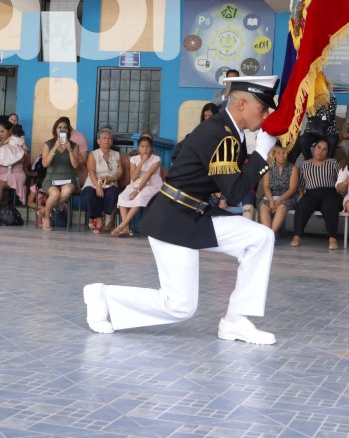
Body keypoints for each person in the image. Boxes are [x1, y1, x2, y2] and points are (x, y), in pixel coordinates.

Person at [83, 75, 279, 345]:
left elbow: (187, 157)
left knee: (261, 237)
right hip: (173, 220)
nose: (267, 114)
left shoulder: (228, 131)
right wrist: (261, 154)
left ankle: (236, 320)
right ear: (243, 103)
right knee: (180, 306)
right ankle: (103, 297)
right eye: (264, 107)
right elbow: (234, 193)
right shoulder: (221, 133)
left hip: (195, 215)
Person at [290, 138, 343, 250]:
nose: (320, 151)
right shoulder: (304, 165)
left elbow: (341, 180)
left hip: (330, 193)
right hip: (311, 194)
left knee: (330, 206)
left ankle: (332, 238)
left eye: (324, 149)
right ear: (314, 149)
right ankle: (297, 236)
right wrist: (300, 194)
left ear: (327, 152)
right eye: (319, 148)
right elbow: (301, 184)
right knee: (302, 206)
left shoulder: (333, 163)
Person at [112, 135, 162, 237]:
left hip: (152, 185)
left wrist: (138, 191)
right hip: (135, 184)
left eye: (147, 146)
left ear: (151, 148)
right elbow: (133, 177)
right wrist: (142, 162)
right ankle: (126, 229)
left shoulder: (156, 159)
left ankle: (121, 226)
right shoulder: (134, 159)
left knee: (139, 197)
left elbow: (148, 175)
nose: (145, 149)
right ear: (138, 148)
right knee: (122, 197)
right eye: (142, 146)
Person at [40, 117, 81, 231]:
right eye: (60, 127)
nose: (62, 129)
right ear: (55, 130)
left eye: (65, 127)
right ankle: (47, 217)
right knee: (55, 194)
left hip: (68, 178)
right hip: (52, 177)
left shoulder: (74, 145)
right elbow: (45, 164)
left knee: (67, 191)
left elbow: (75, 165)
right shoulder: (48, 144)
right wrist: (54, 148)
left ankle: (45, 211)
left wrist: (69, 150)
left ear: (68, 130)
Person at [82, 128, 123, 234]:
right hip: (94, 181)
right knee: (90, 194)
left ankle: (99, 214)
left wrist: (112, 178)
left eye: (109, 138)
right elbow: (91, 171)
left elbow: (120, 172)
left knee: (113, 193)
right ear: (98, 141)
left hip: (110, 182)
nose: (107, 140)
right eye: (104, 138)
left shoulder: (116, 155)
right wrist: (98, 186)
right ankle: (99, 219)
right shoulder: (93, 154)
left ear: (112, 141)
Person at [258, 145, 299, 235]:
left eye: (284, 153)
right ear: (274, 155)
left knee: (282, 206)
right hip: (270, 196)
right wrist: (271, 200)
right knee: (263, 206)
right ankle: (268, 235)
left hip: (287, 197)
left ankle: (271, 234)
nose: (282, 156)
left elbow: (292, 189)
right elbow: (266, 186)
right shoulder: (268, 167)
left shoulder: (293, 168)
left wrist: (278, 200)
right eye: (279, 153)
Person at [298, 89, 338, 160]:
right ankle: (310, 162)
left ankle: (327, 164)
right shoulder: (310, 101)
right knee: (302, 140)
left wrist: (323, 106)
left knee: (333, 140)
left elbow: (329, 116)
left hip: (329, 131)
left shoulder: (332, 100)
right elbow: (309, 115)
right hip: (312, 130)